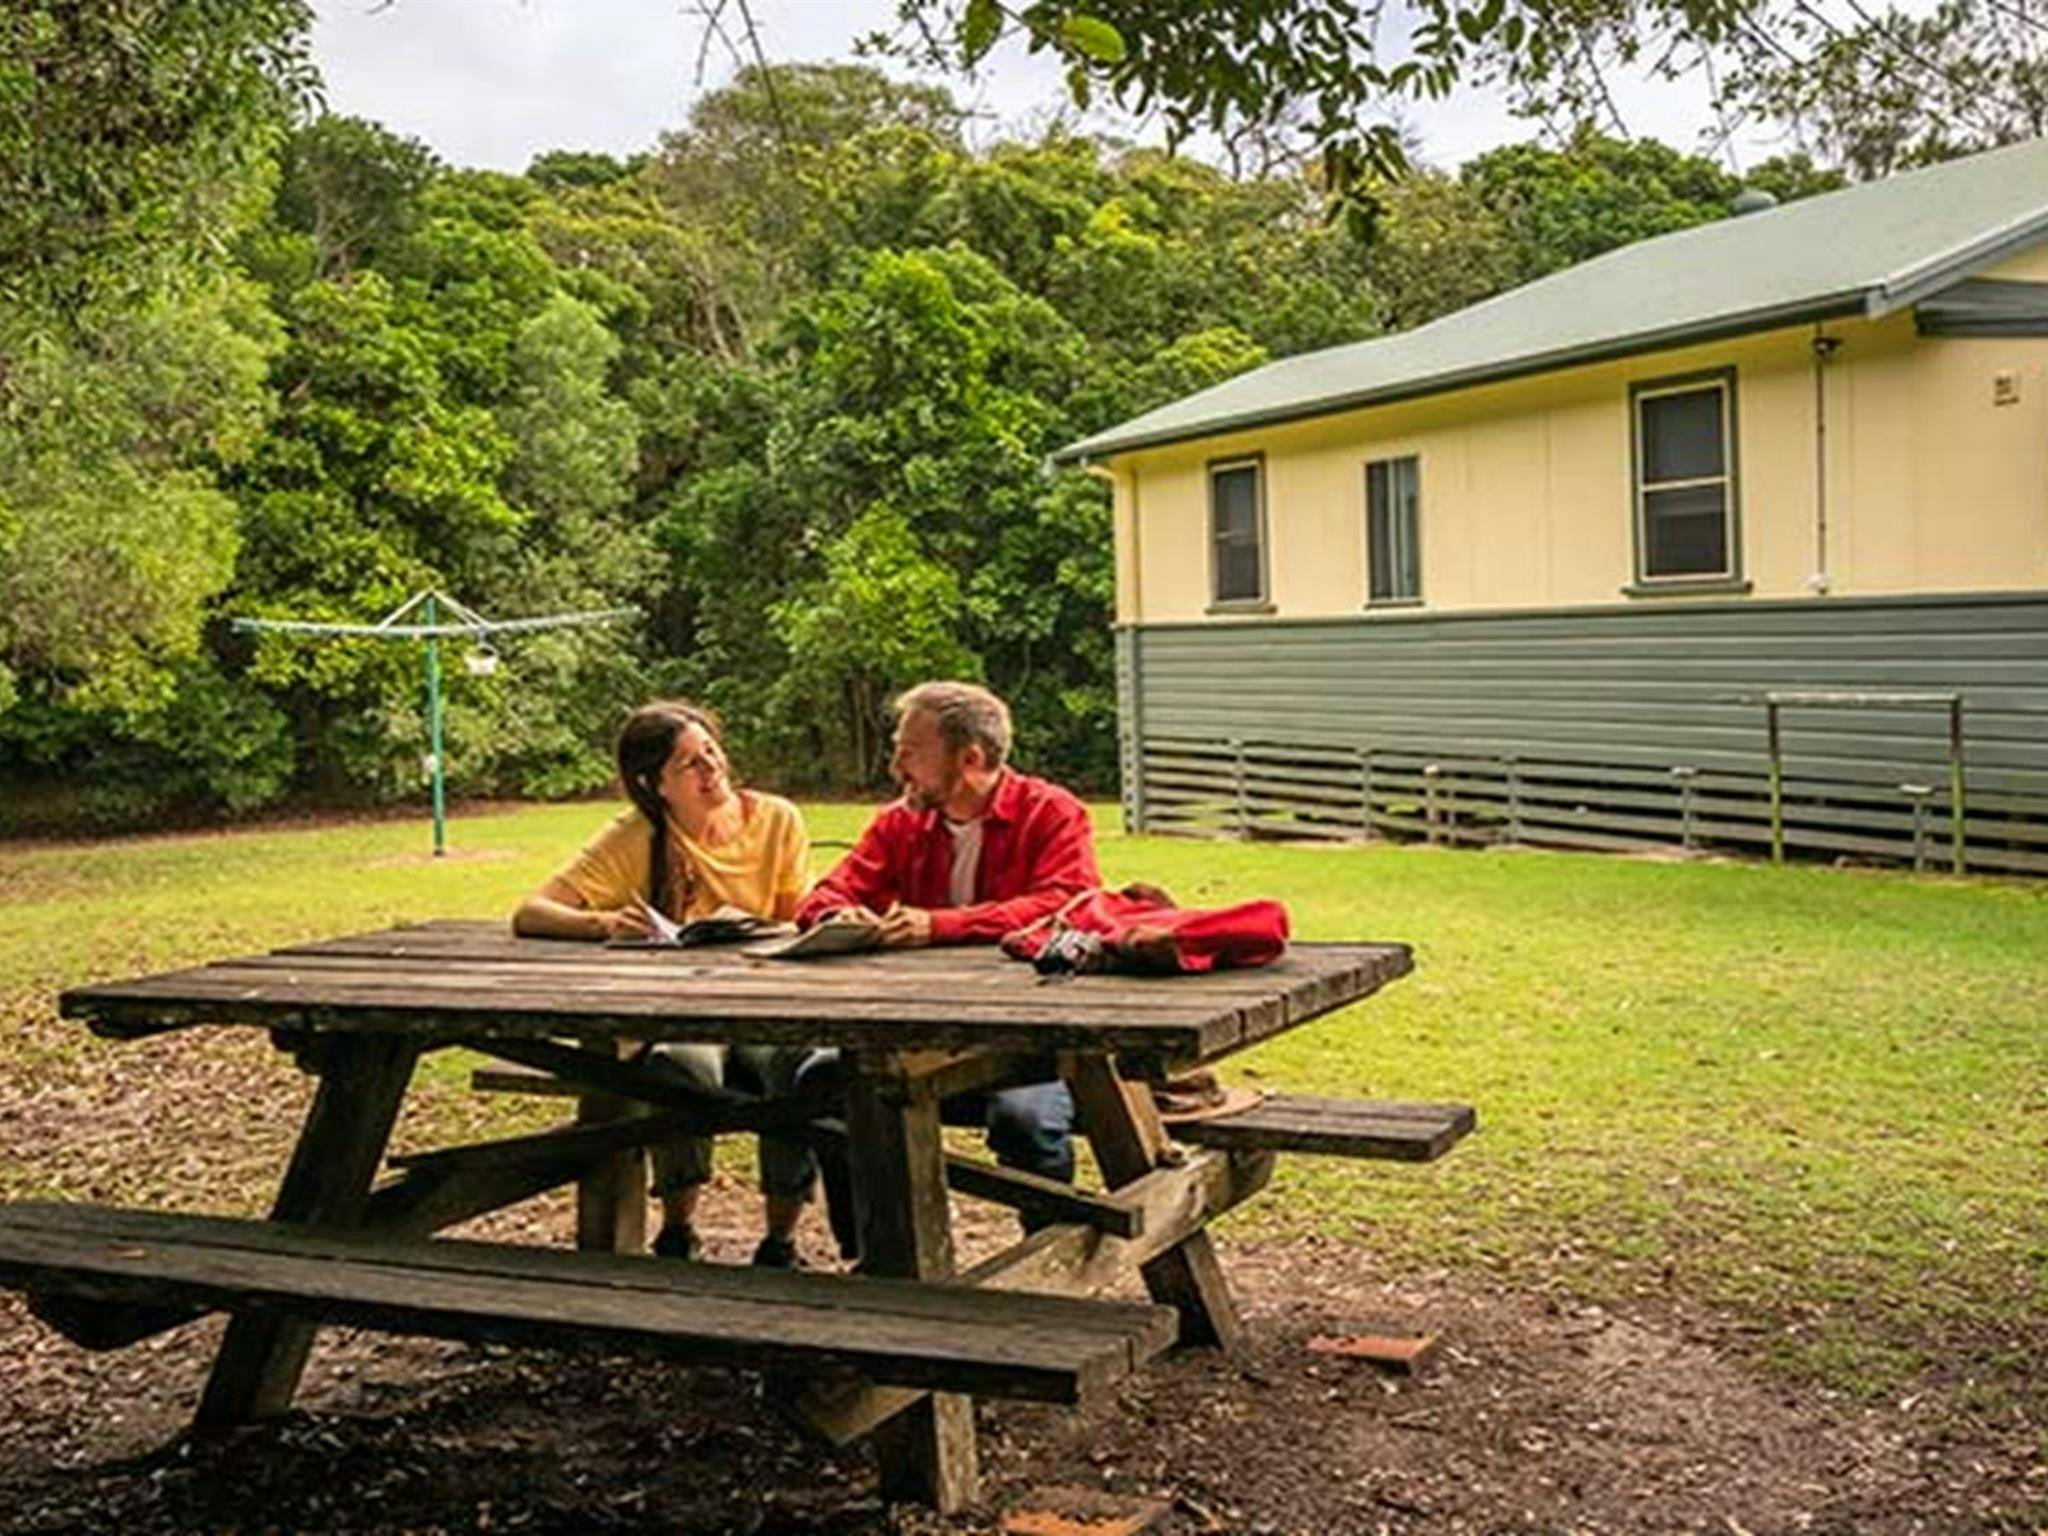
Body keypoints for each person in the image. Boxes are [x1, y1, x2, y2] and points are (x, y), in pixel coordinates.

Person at [794, 680, 1101, 1258]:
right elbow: (826, 892)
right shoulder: (899, 823)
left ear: (970, 758)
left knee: (1024, 1119)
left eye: (910, 751)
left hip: (1032, 1037)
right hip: (916, 1033)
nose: (894, 767)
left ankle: (1054, 1265)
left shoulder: (1053, 813)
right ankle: (875, 1259)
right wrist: (840, 912)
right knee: (821, 1081)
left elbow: (1066, 902)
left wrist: (939, 926)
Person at [513, 700, 816, 1267]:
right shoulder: (638, 836)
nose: (712, 769)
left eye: (712, 752)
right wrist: (602, 923)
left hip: (767, 1002)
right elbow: (533, 912)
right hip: (681, 1013)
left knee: (799, 1071)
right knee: (679, 1072)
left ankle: (781, 1240)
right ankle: (678, 1231)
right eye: (690, 765)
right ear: (655, 785)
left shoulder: (777, 818)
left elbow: (797, 920)